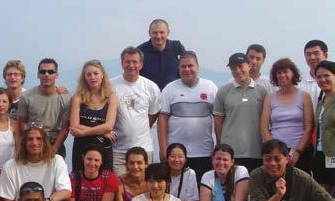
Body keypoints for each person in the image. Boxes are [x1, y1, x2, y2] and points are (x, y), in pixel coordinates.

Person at [0, 126, 74, 201]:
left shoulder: (57, 161)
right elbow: (8, 200)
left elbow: (66, 191)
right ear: (24, 143)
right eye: (30, 139)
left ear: (45, 142)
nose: (34, 142)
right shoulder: (10, 166)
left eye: (39, 139)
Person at [157, 51, 217, 180]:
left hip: (204, 152)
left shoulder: (210, 87)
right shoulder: (170, 88)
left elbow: (218, 119)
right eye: (183, 66)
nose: (187, 69)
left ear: (197, 66)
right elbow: (162, 119)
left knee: (202, 188)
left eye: (190, 66)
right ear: (178, 68)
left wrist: (218, 146)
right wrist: (163, 147)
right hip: (176, 154)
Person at [213, 53, 268, 173]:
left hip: (256, 151)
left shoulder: (262, 92)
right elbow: (218, 122)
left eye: (240, 66)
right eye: (233, 68)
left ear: (249, 66)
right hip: (230, 153)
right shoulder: (223, 91)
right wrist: (222, 145)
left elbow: (266, 122)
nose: (237, 70)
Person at [111, 46, 161, 175]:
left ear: (141, 64)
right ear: (122, 63)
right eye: (127, 62)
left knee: (144, 185)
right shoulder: (111, 85)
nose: (131, 65)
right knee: (120, 185)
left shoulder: (151, 87)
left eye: (135, 62)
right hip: (118, 151)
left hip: (144, 149)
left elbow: (153, 114)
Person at [260, 58, 313, 173]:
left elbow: (308, 128)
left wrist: (297, 152)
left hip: (299, 151)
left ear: (293, 73)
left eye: (285, 72)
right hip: (276, 153)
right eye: (279, 73)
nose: (282, 75)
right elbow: (264, 127)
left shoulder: (304, 96)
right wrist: (274, 150)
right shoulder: (270, 97)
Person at [69, 59, 117, 172]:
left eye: (96, 73)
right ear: (84, 77)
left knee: (105, 179)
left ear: (102, 75)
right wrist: (103, 132)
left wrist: (83, 132)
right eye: (88, 74)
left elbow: (109, 126)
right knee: (79, 179)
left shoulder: (111, 98)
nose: (92, 77)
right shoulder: (78, 97)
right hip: (81, 147)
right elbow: (74, 126)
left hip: (103, 147)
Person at [17, 58, 72, 157]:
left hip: (55, 143)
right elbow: (22, 123)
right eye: (43, 72)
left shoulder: (65, 98)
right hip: (33, 142)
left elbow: (65, 128)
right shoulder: (26, 97)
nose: (46, 75)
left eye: (51, 72)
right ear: (38, 75)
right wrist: (32, 138)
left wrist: (54, 149)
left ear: (56, 75)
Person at [313, 60, 335, 201]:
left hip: (334, 154)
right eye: (319, 76)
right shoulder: (321, 101)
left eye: (326, 75)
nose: (322, 79)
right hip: (320, 155)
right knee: (324, 200)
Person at [137, 19, 186, 91]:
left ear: (168, 32)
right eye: (155, 33)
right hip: (149, 95)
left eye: (162, 32)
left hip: (174, 94)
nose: (158, 36)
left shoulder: (177, 48)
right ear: (149, 33)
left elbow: (187, 70)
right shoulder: (140, 51)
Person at [299, 40, 329, 109]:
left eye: (316, 53)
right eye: (308, 54)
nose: (312, 57)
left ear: (326, 55)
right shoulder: (299, 83)